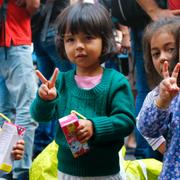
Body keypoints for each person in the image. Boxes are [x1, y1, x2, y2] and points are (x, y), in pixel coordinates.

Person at [30, 2, 135, 180]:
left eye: (88, 38)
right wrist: (44, 100)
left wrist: (95, 127)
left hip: (106, 172)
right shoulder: (61, 81)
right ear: (62, 44)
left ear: (105, 40)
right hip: (66, 172)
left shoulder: (115, 82)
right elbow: (40, 116)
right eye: (70, 39)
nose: (79, 45)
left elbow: (126, 122)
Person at [0, 0, 40, 179]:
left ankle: (5, 168)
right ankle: (21, 171)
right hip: (14, 36)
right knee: (27, 108)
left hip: (6, 41)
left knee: (5, 111)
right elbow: (33, 5)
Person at [137, 17, 180, 179]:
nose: (162, 57)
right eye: (156, 53)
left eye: (170, 49)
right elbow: (146, 129)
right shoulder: (157, 95)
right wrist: (162, 102)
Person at [32, 0, 74, 159]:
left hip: (39, 34)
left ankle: (42, 146)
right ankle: (70, 145)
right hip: (57, 31)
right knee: (68, 89)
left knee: (46, 90)